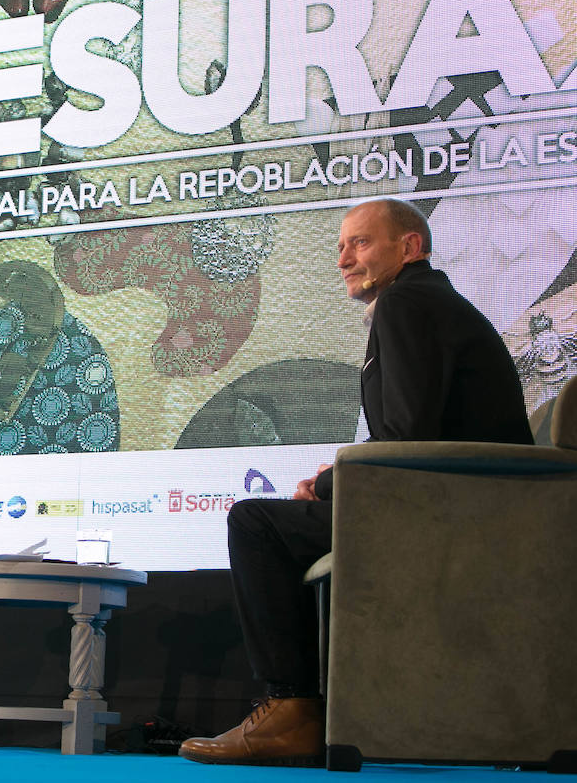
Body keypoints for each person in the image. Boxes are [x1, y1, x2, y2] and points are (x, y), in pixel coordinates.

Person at [178, 198, 532, 765]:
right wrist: (336, 477)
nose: (344, 258)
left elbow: (411, 440)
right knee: (274, 519)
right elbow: (414, 431)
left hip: (451, 510)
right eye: (340, 246)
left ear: (410, 247)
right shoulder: (423, 302)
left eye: (361, 243)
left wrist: (327, 486)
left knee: (256, 522)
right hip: (463, 501)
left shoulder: (408, 302)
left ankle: (292, 712)